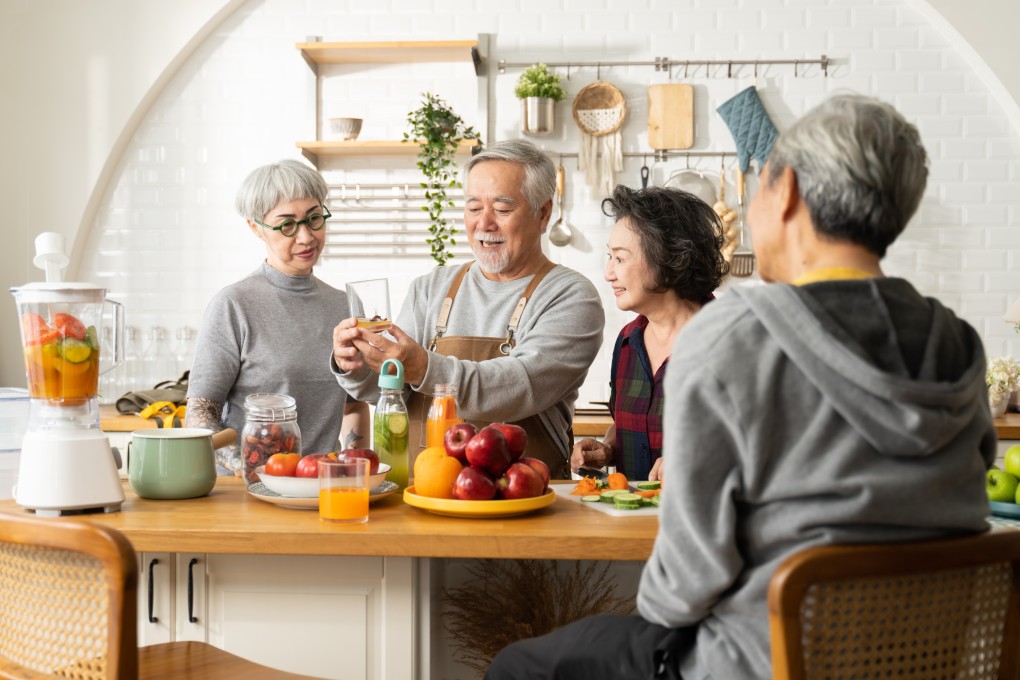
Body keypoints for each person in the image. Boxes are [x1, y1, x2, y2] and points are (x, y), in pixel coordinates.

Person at [485, 94, 996, 679]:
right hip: (921, 659)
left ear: (790, 193)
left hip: (764, 660)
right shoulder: (955, 340)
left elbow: (680, 590)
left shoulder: (732, 336)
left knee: (519, 667)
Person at [331, 139, 605, 478]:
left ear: (543, 213)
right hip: (424, 493)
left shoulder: (571, 296)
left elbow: (517, 387)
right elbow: (391, 389)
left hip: (522, 502)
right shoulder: (431, 287)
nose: (484, 224)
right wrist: (358, 367)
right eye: (474, 208)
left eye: (502, 210)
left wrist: (422, 366)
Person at [187, 159, 368, 475]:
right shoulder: (234, 304)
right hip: (251, 490)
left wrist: (354, 469)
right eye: (287, 225)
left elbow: (353, 404)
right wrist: (243, 467)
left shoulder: (346, 305)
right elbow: (202, 410)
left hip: (322, 486)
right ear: (255, 227)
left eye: (314, 219)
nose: (306, 237)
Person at [570, 185, 728, 482]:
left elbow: (762, 445)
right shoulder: (628, 342)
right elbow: (631, 425)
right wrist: (607, 450)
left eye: (620, 258)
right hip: (631, 523)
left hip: (704, 521)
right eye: (609, 257)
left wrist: (696, 459)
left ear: (667, 258)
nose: (608, 273)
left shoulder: (731, 341)